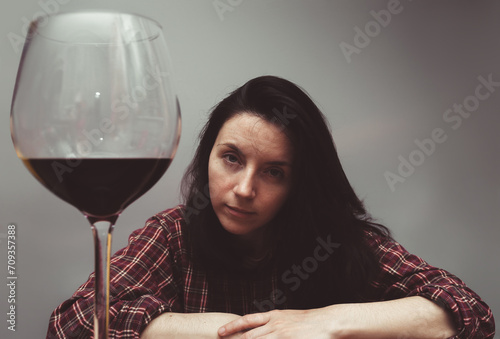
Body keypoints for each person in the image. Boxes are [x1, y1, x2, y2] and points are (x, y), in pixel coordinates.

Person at [47, 76, 495, 338]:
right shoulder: (171, 235)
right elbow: (70, 324)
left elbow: (471, 312)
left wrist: (325, 324)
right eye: (232, 158)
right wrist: (227, 331)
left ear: (300, 182)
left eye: (274, 172)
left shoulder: (340, 240)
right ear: (208, 155)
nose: (243, 189)